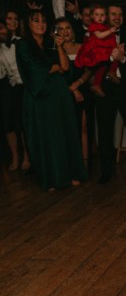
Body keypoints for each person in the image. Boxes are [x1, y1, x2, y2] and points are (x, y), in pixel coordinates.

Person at [15, 11, 87, 191]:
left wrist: (60, 47)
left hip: (59, 94)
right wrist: (52, 67)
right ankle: (50, 178)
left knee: (64, 133)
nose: (41, 24)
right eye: (36, 21)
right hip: (40, 96)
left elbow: (64, 67)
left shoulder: (50, 42)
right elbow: (32, 69)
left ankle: (69, 174)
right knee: (46, 137)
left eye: (44, 20)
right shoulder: (23, 44)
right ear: (28, 24)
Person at [95, 5, 126, 183]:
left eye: (120, 14)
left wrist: (122, 58)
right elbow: (92, 62)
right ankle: (106, 170)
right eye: (113, 14)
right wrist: (110, 58)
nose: (117, 17)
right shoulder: (97, 37)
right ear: (107, 16)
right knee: (105, 130)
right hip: (105, 89)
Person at [57, 18, 95, 169]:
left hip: (83, 89)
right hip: (63, 93)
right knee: (67, 128)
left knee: (84, 127)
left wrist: (78, 84)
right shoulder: (54, 51)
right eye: (61, 29)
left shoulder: (82, 47)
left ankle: (84, 163)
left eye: (68, 28)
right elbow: (57, 75)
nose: (65, 31)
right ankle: (69, 163)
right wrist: (72, 89)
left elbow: (89, 70)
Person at [0, 12, 31, 171]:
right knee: (9, 124)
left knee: (24, 123)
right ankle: (15, 156)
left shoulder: (22, 42)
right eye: (8, 19)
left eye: (15, 19)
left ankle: (27, 156)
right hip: (7, 89)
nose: (12, 22)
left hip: (23, 87)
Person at [74, 4, 120, 97]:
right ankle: (97, 83)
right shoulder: (93, 25)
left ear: (106, 16)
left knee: (113, 59)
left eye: (102, 15)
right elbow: (99, 36)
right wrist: (110, 31)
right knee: (102, 65)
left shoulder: (105, 26)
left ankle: (110, 73)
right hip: (97, 50)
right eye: (97, 14)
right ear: (92, 16)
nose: (99, 17)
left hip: (105, 48)